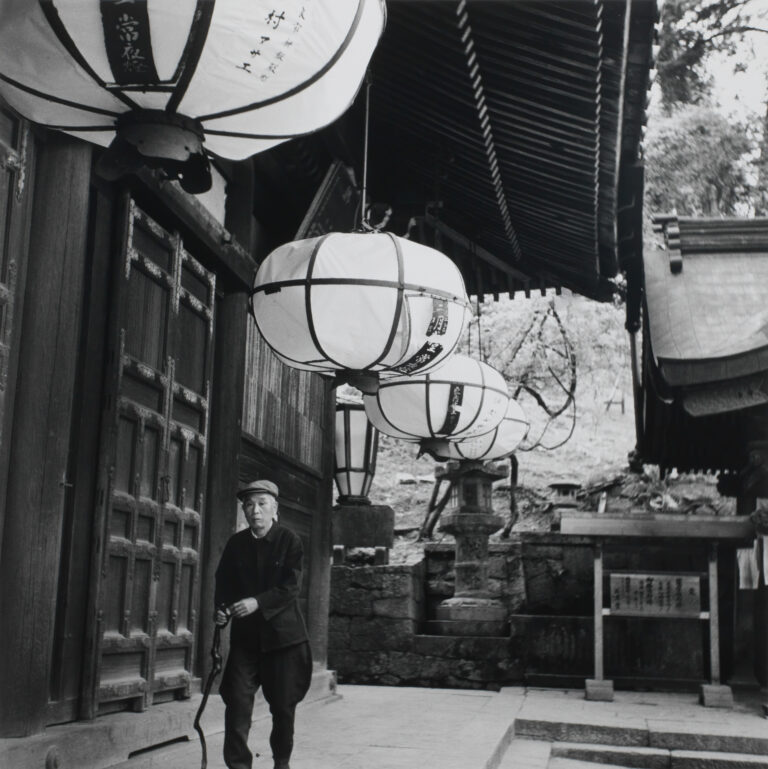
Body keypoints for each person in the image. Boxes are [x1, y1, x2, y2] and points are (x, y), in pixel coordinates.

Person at [214, 480, 312, 769]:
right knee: (237, 704)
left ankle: (281, 763)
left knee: (283, 709)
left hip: (284, 640)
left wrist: (257, 602)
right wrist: (222, 611)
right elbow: (225, 585)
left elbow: (291, 587)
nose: (255, 510)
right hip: (246, 641)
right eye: (249, 504)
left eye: (262, 504)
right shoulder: (236, 544)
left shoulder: (289, 541)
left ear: (274, 509)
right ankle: (239, 766)